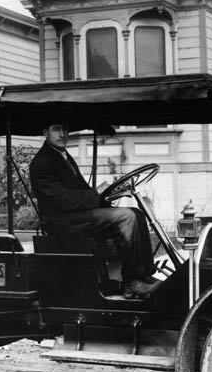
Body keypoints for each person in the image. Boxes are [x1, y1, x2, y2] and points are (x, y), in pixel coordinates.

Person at [29, 122, 161, 298]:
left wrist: (105, 196)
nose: (62, 134)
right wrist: (96, 193)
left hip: (77, 216)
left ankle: (144, 274)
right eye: (56, 129)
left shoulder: (62, 155)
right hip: (63, 222)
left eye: (65, 129)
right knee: (126, 217)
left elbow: (80, 191)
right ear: (45, 132)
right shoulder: (41, 162)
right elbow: (62, 200)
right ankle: (132, 282)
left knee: (136, 213)